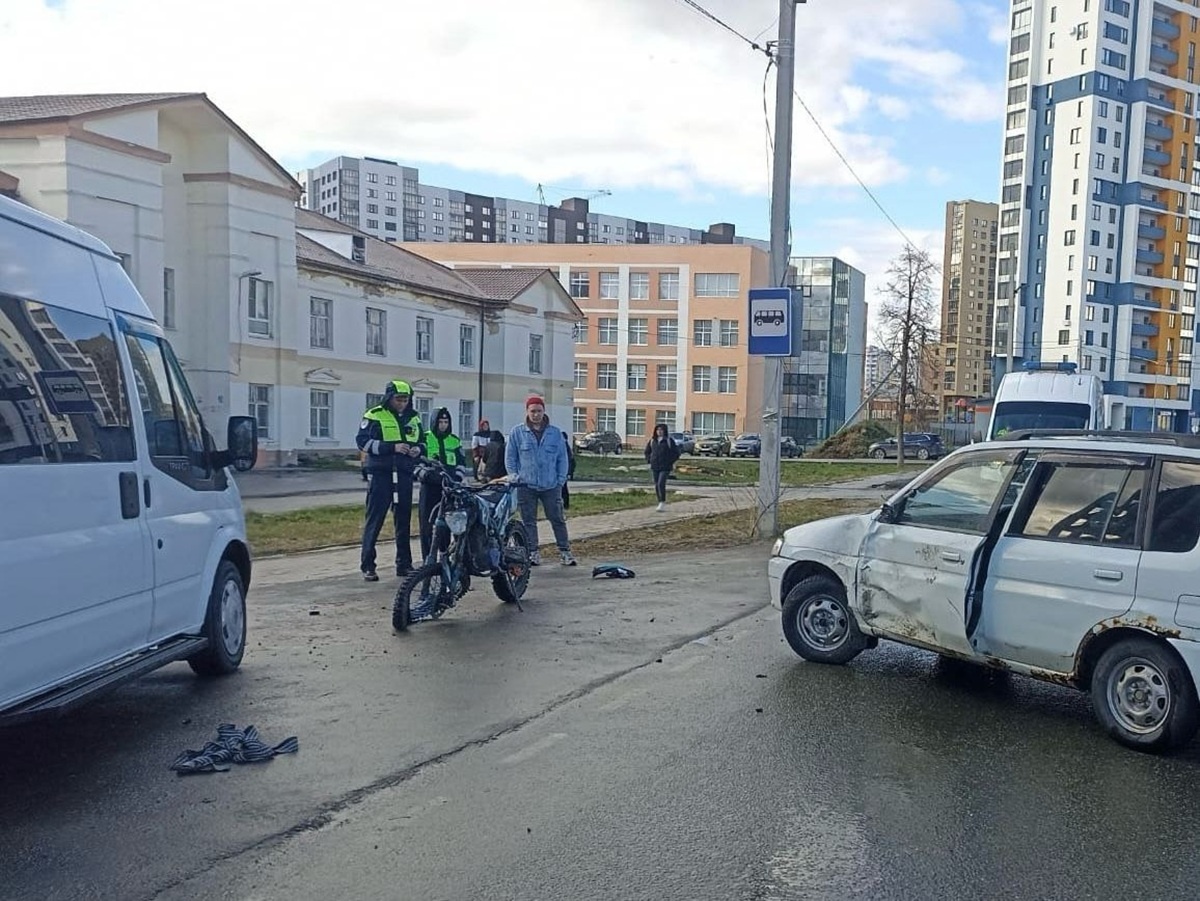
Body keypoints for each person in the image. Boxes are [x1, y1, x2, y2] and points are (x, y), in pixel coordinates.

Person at [356, 380, 425, 581]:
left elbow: (423, 442)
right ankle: (368, 565)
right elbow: (363, 442)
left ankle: (404, 564)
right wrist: (391, 447)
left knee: (403, 521)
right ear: (389, 398)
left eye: (405, 400)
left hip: (404, 474)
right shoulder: (374, 415)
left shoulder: (414, 418)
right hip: (381, 474)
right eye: (398, 399)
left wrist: (417, 449)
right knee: (374, 520)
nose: (402, 403)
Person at [506, 395, 576, 566]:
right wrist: (514, 476)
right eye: (533, 411)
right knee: (529, 521)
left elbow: (562, 458)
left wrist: (560, 480)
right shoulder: (517, 433)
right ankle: (533, 552)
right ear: (527, 412)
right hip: (526, 485)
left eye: (539, 411)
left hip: (550, 485)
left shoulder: (555, 433)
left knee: (557, 519)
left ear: (544, 411)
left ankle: (565, 552)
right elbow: (510, 457)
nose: (536, 415)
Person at [418, 407, 467, 563]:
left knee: (447, 523)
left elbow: (462, 463)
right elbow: (417, 462)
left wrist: (457, 478)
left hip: (449, 488)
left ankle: (445, 557)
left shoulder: (454, 440)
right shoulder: (424, 438)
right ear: (434, 422)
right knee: (427, 525)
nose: (443, 425)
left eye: (446, 422)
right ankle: (427, 559)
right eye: (440, 422)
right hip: (430, 487)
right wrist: (424, 474)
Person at [644, 423, 681, 512]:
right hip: (655, 466)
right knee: (657, 484)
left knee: (661, 483)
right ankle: (659, 501)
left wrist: (670, 461)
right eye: (658, 430)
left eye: (661, 430)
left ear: (664, 431)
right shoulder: (652, 440)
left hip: (665, 467)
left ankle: (662, 502)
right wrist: (649, 460)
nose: (659, 432)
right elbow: (647, 452)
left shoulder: (669, 441)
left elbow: (676, 453)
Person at [561, 431, 576, 510]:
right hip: (561, 471)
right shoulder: (561, 446)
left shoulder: (565, 447)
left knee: (563, 489)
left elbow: (570, 461)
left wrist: (569, 473)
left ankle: (565, 505)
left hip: (564, 472)